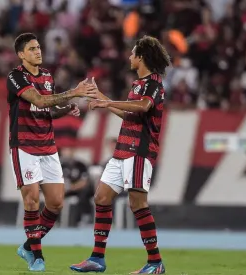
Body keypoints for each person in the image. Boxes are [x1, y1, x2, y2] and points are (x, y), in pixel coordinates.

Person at [70, 35, 171, 274]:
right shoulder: (138, 85)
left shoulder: (154, 84)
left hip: (139, 151)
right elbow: (129, 115)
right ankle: (97, 258)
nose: (129, 57)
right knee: (102, 198)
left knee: (137, 203)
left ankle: (155, 263)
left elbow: (143, 107)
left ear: (142, 57)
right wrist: (101, 97)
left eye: (133, 53)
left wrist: (108, 102)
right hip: (122, 151)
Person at [6, 32, 98, 271]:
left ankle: (28, 245)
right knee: (32, 200)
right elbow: (38, 100)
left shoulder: (47, 76)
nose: (38, 51)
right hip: (24, 145)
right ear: (21, 54)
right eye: (32, 49)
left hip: (47, 146)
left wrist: (66, 108)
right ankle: (37, 256)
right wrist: (74, 93)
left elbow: (48, 109)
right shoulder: (16, 77)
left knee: (56, 203)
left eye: (38, 47)